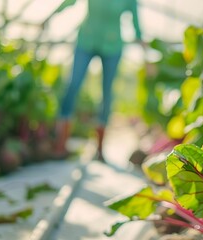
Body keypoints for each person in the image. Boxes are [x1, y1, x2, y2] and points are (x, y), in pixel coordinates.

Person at [45, 0, 146, 161]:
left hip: (112, 46)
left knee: (107, 93)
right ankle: (60, 144)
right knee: (73, 85)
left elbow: (135, 22)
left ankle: (99, 150)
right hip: (86, 40)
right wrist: (50, 16)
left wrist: (145, 51)